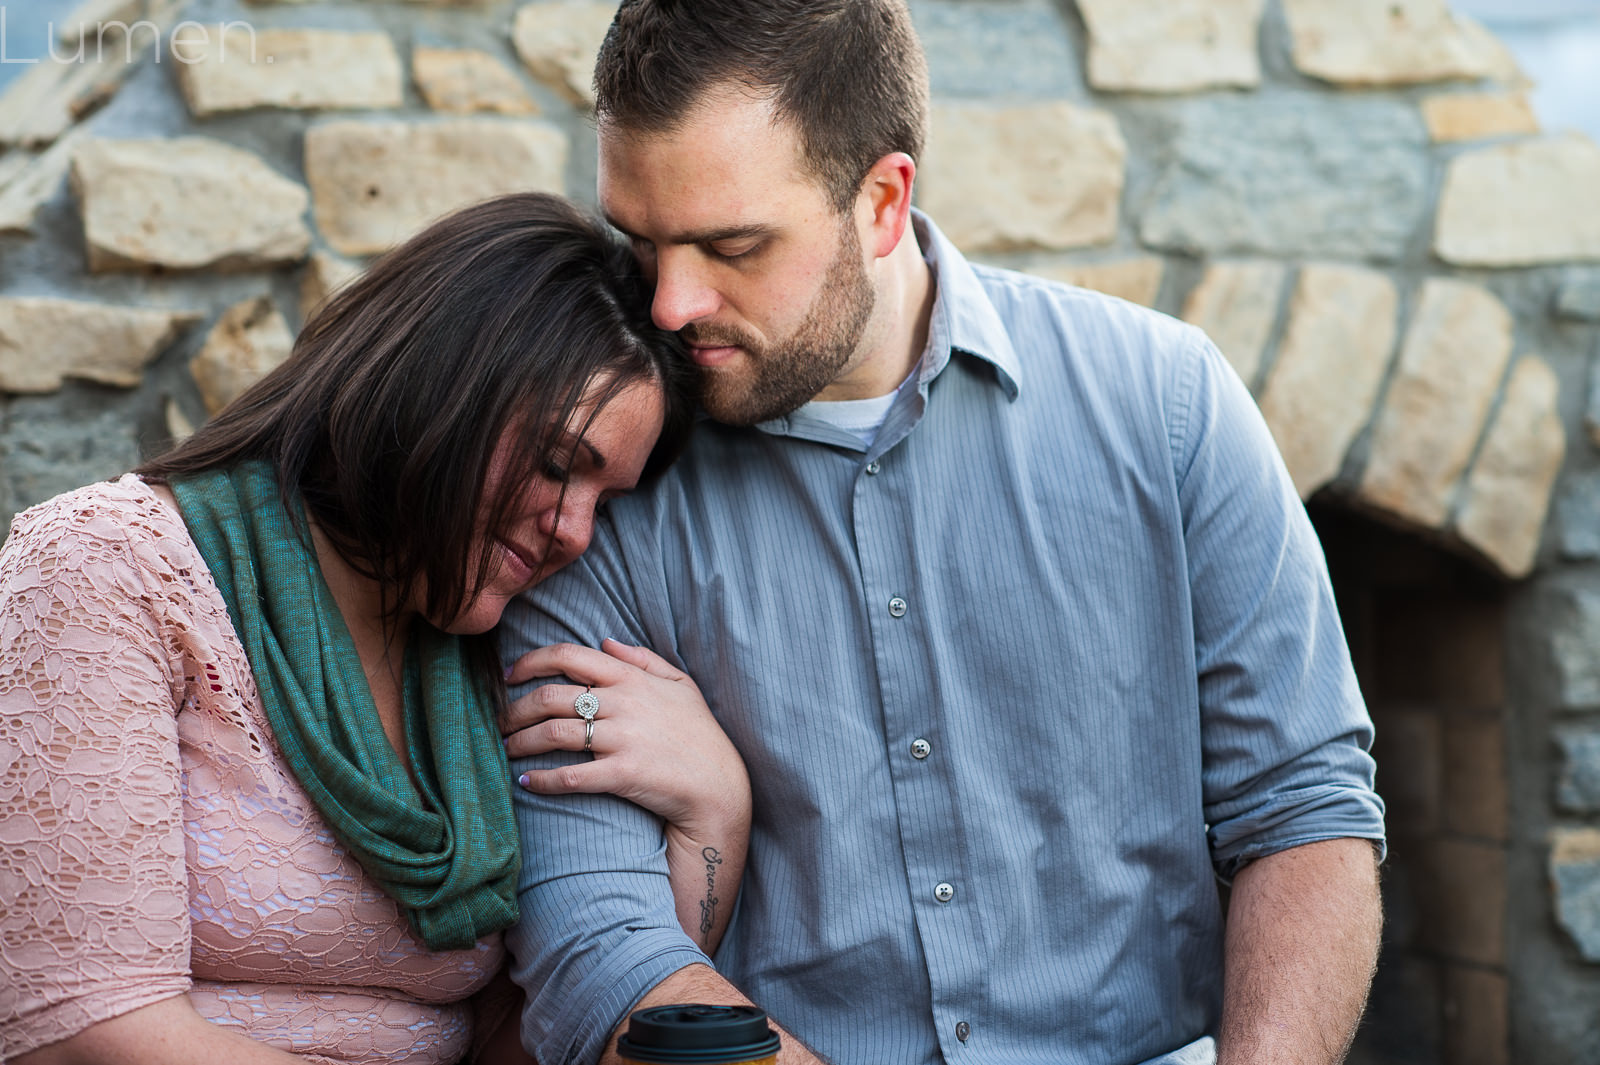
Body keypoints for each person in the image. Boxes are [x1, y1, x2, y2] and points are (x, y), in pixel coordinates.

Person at [497, 2, 1389, 1064]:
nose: (672, 303)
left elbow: (1301, 810)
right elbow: (598, 951)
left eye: (730, 245)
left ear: (881, 201)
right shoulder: (598, 496)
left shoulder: (1167, 404)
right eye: (638, 243)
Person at [0, 193, 752, 1065]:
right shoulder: (108, 566)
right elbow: (83, 1031)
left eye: (605, 502)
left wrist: (713, 815)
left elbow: (532, 1042)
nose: (575, 532)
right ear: (440, 389)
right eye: (555, 465)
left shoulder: (479, 657)